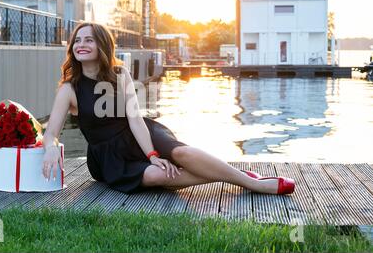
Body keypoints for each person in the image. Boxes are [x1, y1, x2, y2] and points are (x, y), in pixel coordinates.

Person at [42, 22, 295, 195]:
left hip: (143, 134)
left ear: (102, 46)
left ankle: (253, 184)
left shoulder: (121, 75)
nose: (81, 44)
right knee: (156, 176)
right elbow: (51, 133)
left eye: (89, 40)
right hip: (109, 156)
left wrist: (152, 154)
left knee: (182, 156)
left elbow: (135, 120)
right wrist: (51, 149)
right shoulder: (69, 89)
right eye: (77, 40)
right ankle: (236, 175)